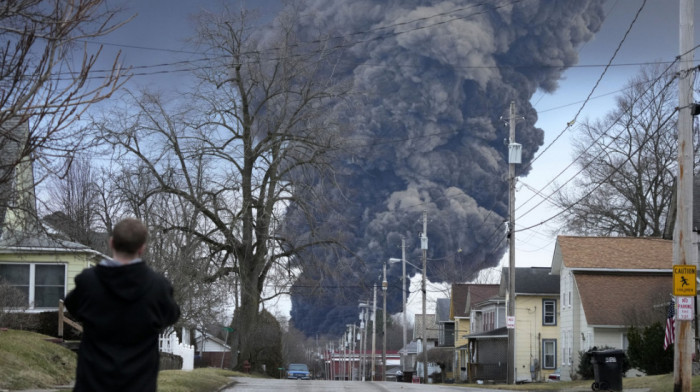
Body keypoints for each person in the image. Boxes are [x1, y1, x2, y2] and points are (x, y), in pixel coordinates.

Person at [65, 218, 180, 392]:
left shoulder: (88, 282)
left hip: (93, 383)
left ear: (111, 243)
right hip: (139, 385)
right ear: (142, 248)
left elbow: (72, 307)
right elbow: (172, 315)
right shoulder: (158, 287)